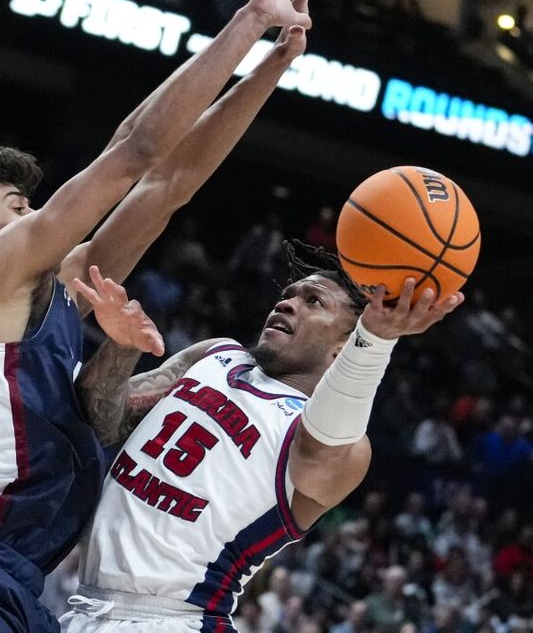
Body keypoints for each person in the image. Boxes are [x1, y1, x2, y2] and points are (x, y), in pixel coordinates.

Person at [0, 0, 317, 630]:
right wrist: (249, 20)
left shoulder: (55, 292)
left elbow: (165, 188)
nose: (39, 213)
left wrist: (274, 64)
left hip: (17, 589)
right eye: (19, 204)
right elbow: (136, 149)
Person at [61, 244, 463, 631]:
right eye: (289, 295)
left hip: (172, 619)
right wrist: (122, 345)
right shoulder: (216, 355)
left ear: (343, 349)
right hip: (85, 604)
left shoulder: (339, 447)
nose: (286, 303)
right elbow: (99, 422)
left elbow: (320, 446)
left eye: (314, 302)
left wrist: (374, 339)